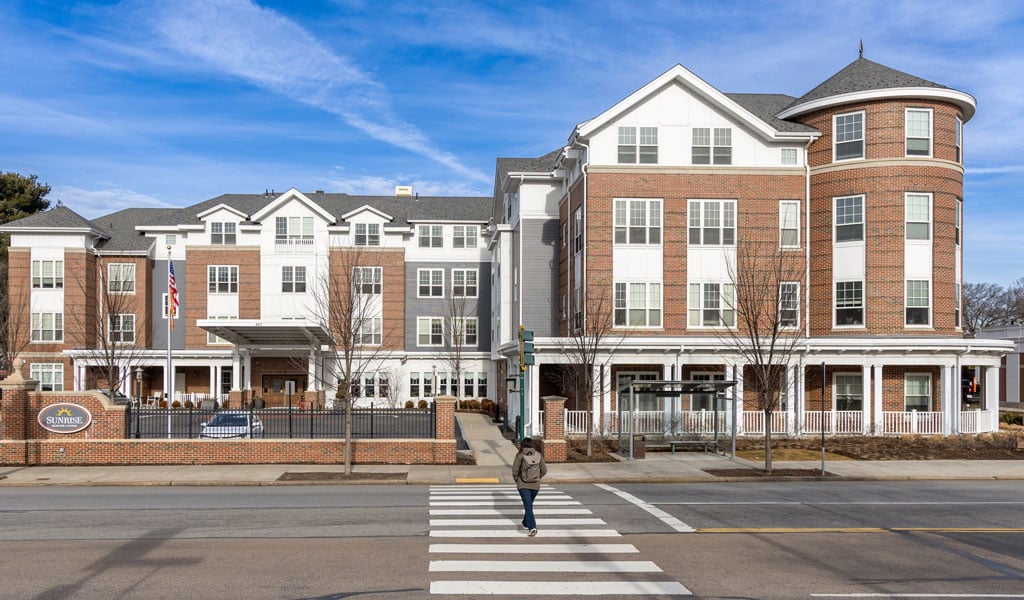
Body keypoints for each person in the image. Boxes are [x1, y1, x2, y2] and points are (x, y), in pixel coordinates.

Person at [512, 437, 547, 537]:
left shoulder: (520, 455)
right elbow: (544, 470)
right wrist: (537, 478)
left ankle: (532, 527)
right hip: (535, 486)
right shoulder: (538, 455)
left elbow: (514, 470)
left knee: (528, 506)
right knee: (529, 505)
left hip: (523, 485)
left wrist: (518, 480)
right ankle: (525, 523)